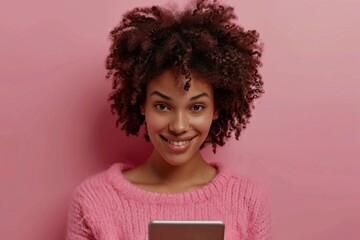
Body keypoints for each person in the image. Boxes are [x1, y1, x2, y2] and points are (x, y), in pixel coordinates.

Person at [66, 0, 271, 239]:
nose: (179, 126)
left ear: (217, 108)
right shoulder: (93, 201)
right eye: (162, 106)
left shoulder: (248, 201)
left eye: (196, 107)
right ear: (142, 104)